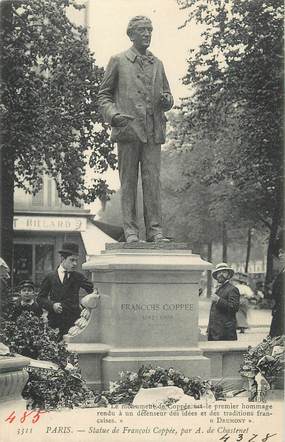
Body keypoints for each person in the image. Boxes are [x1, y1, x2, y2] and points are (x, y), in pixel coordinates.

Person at [98, 16, 174, 243]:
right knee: (128, 182)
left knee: (152, 182)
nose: (147, 34)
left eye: (150, 30)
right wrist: (113, 115)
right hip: (128, 130)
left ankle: (155, 230)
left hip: (153, 131)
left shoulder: (157, 63)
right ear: (131, 34)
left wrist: (166, 100)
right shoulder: (118, 61)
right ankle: (130, 231)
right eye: (142, 30)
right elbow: (103, 96)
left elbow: (168, 95)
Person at [37, 242, 93, 340]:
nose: (75, 264)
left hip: (73, 323)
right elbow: (40, 298)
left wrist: (85, 307)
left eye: (76, 260)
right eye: (72, 260)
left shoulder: (78, 277)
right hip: (55, 321)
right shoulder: (50, 277)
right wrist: (52, 305)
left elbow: (93, 291)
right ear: (63, 259)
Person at [207, 262, 240, 341]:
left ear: (228, 275)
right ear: (216, 276)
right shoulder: (218, 289)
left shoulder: (232, 289)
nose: (221, 274)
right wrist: (209, 328)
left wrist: (219, 300)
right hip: (215, 332)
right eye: (219, 272)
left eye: (224, 272)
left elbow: (234, 307)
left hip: (225, 332)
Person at [269, 234, 284, 337]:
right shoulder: (282, 271)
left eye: (283, 252)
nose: (280, 255)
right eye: (279, 252)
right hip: (279, 311)